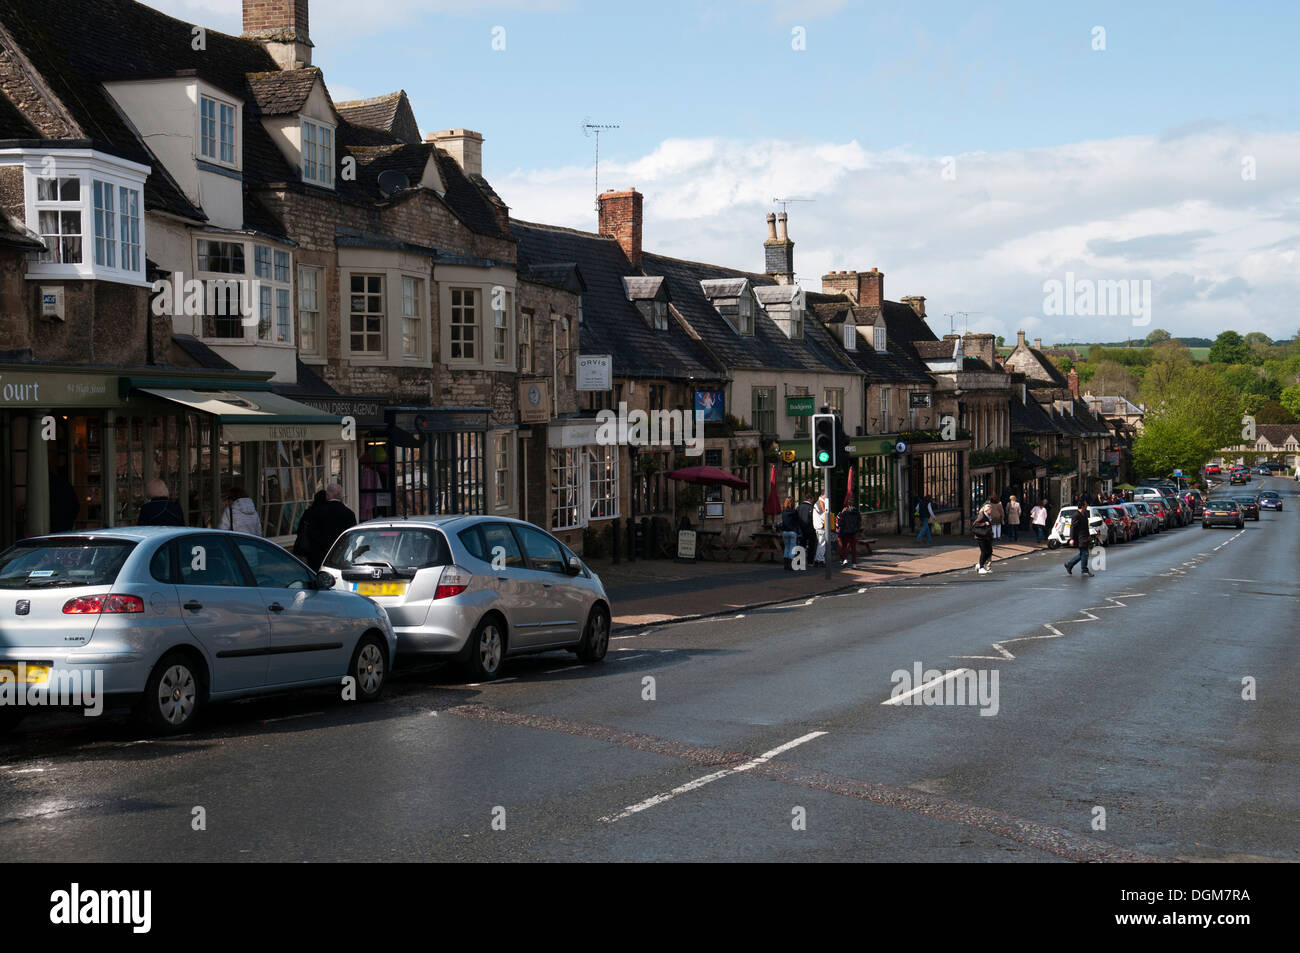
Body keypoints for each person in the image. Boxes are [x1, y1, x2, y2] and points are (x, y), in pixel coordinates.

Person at [307, 483, 357, 567]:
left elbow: (311, 533)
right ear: (341, 496)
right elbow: (352, 536)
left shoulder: (316, 512)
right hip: (340, 555)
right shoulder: (349, 513)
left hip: (319, 554)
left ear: (327, 495)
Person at [293, 490, 328, 567]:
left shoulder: (308, 512)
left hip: (308, 549)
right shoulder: (324, 513)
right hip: (319, 548)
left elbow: (300, 529)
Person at [1064, 504, 1093, 576]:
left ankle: (1069, 564)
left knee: (1083, 554)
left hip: (1085, 536)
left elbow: (1086, 527)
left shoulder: (1084, 514)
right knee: (1085, 553)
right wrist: (1071, 539)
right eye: (1086, 504)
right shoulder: (1076, 515)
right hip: (1080, 537)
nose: (1087, 506)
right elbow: (1072, 527)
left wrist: (1089, 536)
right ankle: (1084, 570)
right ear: (1082, 506)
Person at [48, 468, 79, 533]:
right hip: (64, 521)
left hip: (55, 521)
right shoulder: (64, 484)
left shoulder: (49, 485)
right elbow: (75, 505)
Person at [837, 500, 862, 568]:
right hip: (853, 533)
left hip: (845, 533)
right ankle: (854, 564)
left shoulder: (845, 513)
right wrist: (856, 530)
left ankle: (845, 560)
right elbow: (859, 523)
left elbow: (841, 523)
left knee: (845, 547)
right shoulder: (857, 513)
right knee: (853, 548)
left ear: (848, 505)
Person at [779, 496, 801, 571]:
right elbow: (798, 521)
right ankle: (790, 565)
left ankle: (786, 564)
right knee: (792, 548)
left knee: (786, 548)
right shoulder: (794, 512)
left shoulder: (783, 512)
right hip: (793, 532)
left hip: (785, 532)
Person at [972, 500, 994, 574]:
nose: (991, 510)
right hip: (981, 537)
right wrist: (984, 524)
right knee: (984, 552)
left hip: (987, 536)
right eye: (990, 509)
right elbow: (975, 524)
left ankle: (979, 564)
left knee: (989, 552)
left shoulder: (988, 516)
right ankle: (981, 567)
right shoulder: (982, 515)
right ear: (987, 510)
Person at [811, 491, 829, 567]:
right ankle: (820, 560)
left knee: (820, 544)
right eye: (826, 495)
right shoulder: (821, 503)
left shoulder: (819, 503)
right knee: (822, 544)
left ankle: (818, 560)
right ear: (822, 495)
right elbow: (824, 516)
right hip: (821, 527)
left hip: (819, 526)